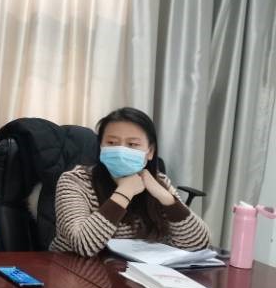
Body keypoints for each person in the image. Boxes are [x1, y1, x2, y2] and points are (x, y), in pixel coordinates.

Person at [50, 107, 210, 257]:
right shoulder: (74, 181)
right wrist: (125, 192)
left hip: (136, 272)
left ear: (150, 152)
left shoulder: (158, 182)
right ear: (101, 147)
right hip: (74, 270)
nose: (121, 150)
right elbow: (83, 245)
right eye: (111, 143)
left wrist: (166, 197)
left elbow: (197, 244)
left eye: (132, 144)